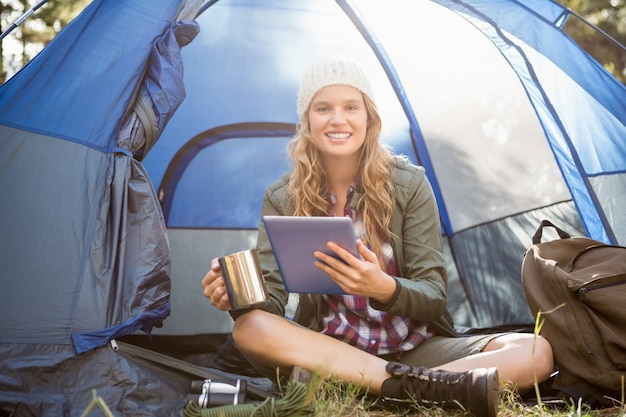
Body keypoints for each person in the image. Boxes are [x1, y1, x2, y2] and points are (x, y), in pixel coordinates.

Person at [202, 58, 555, 417]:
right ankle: (422, 388)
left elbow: (433, 296)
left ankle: (392, 386)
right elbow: (271, 303)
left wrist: (382, 287)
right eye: (323, 108)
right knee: (249, 327)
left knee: (536, 351)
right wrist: (238, 297)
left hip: (416, 350)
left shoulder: (409, 184)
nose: (338, 119)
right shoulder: (282, 197)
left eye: (350, 107)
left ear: (369, 118)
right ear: (307, 122)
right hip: (334, 351)